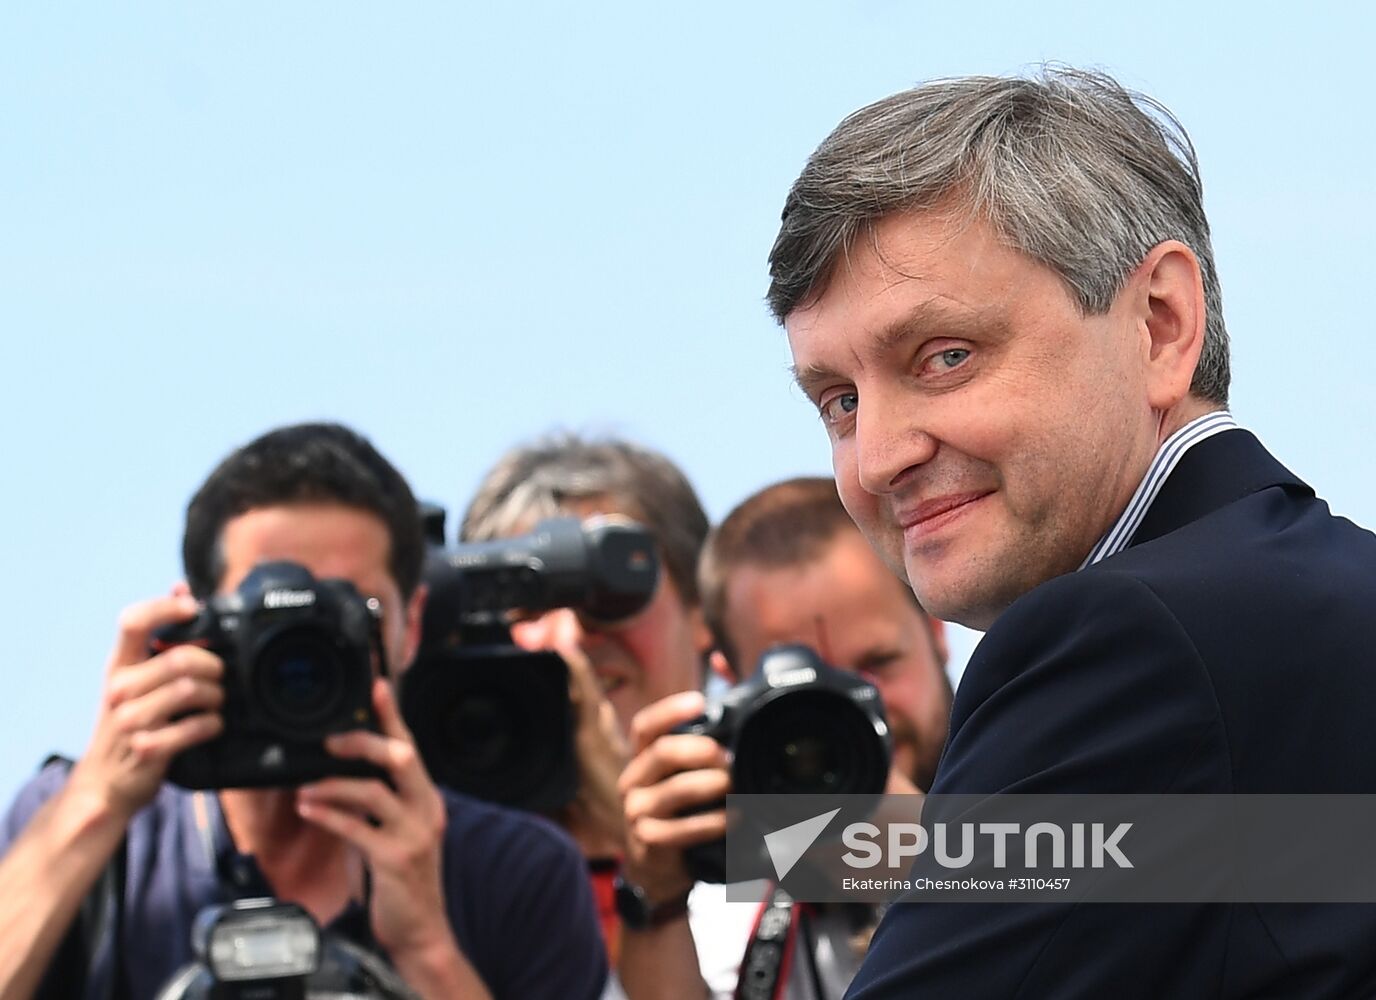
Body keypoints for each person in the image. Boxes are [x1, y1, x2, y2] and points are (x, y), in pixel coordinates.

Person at [768, 68, 1376, 997]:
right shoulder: (1313, 597)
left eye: (946, 356)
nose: (878, 456)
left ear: (1160, 325)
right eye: (841, 402)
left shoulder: (1129, 640)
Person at [0, 422, 607, 1000]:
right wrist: (94, 803)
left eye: (349, 610)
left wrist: (427, 947)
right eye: (274, 618)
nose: (309, 646)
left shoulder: (517, 873)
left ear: (412, 623)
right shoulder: (91, 833)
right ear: (195, 620)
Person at [618, 476, 953, 999]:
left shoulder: (1050, 778)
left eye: (875, 667)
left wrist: (936, 852)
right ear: (732, 690)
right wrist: (656, 899)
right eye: (805, 703)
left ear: (936, 629)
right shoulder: (727, 904)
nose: (846, 720)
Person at [458, 432, 713, 986]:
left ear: (702, 609)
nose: (572, 635)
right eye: (527, 601)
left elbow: (941, 869)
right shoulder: (438, 856)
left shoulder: (766, 812)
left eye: (611, 592)